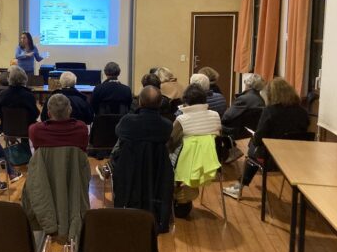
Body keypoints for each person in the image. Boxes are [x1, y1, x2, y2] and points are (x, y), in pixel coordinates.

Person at [96, 86, 173, 233]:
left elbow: (118, 132)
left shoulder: (128, 121)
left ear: (140, 102)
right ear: (159, 103)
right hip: (157, 172)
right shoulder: (166, 125)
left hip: (128, 170)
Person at [223, 78, 309, 199]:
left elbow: (258, 139)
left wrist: (253, 139)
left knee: (253, 148)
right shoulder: (303, 112)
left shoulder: (270, 111)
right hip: (295, 158)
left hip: (272, 159)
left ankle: (239, 187)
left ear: (271, 94)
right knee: (254, 149)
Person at [167, 85, 221, 217]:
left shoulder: (182, 120)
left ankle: (176, 194)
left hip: (184, 166)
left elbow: (170, 142)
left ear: (186, 102)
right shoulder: (215, 115)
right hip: (208, 165)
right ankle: (187, 192)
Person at [0, 66, 39, 132]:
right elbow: (35, 114)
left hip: (7, 129)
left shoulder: (2, 95)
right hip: (27, 129)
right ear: (25, 79)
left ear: (9, 79)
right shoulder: (29, 96)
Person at [222, 73, 266, 138]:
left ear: (248, 84)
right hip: (250, 133)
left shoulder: (243, 99)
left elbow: (226, 117)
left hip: (237, 132)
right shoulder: (261, 100)